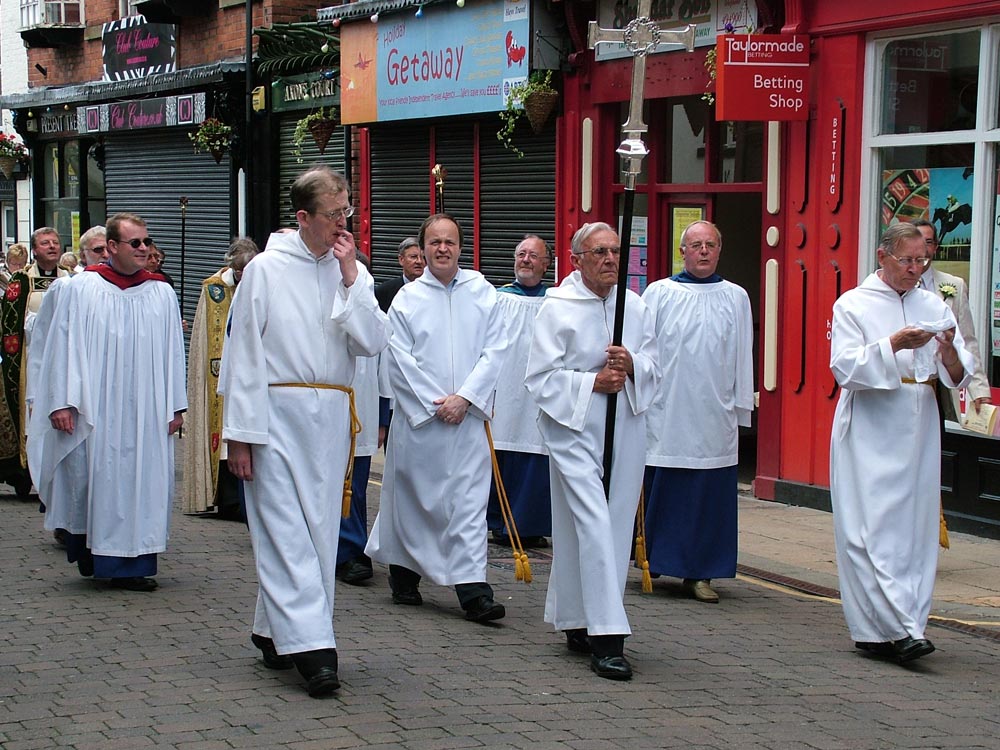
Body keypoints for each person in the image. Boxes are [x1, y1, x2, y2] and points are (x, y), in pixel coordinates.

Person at [220, 166, 389, 698]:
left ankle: (273, 629)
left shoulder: (347, 268)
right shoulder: (266, 270)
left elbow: (371, 342)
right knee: (285, 532)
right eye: (334, 214)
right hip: (276, 416)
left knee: (316, 532)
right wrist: (240, 436)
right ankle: (316, 649)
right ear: (303, 218)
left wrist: (349, 277)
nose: (344, 223)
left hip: (332, 418)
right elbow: (243, 355)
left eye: (347, 212)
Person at [830, 222, 973, 664]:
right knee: (868, 527)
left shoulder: (933, 304)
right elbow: (844, 369)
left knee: (914, 528)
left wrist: (948, 352)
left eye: (922, 260)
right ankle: (890, 628)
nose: (915, 269)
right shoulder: (852, 304)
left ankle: (907, 624)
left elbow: (958, 370)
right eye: (907, 260)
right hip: (873, 420)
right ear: (882, 257)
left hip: (919, 417)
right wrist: (892, 344)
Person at [524, 222, 659, 681]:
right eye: (599, 252)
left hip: (625, 424)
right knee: (592, 521)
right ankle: (608, 636)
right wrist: (592, 382)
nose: (609, 259)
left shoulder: (635, 307)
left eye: (615, 251)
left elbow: (658, 363)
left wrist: (633, 364)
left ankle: (575, 617)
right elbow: (540, 378)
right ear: (576, 258)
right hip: (574, 426)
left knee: (613, 525)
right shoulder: (557, 308)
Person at [26, 212, 186, 592]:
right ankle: (95, 556)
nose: (145, 249)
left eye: (147, 241)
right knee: (95, 478)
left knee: (142, 481)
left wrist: (176, 405)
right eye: (136, 243)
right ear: (112, 247)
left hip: (147, 408)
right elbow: (61, 345)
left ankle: (136, 563)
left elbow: (171, 352)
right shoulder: (80, 289)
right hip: (97, 406)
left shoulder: (161, 292)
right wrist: (62, 402)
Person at [366, 213, 509, 623]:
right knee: (414, 498)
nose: (442, 248)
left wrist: (464, 397)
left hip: (466, 419)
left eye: (449, 241)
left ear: (462, 247)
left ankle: (472, 588)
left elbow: (496, 350)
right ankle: (404, 572)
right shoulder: (407, 300)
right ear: (423, 249)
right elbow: (398, 359)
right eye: (434, 242)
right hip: (422, 421)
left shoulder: (482, 292)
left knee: (467, 503)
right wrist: (435, 401)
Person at [641, 221, 754, 604]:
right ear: (682, 251)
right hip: (667, 409)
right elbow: (644, 350)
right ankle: (653, 560)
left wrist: (739, 407)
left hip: (713, 413)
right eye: (695, 245)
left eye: (710, 245)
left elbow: (743, 354)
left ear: (719, 250)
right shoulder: (658, 293)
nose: (703, 251)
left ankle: (701, 573)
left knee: (708, 495)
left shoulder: (735, 296)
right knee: (664, 486)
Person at [183, 237, 260, 520]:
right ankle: (225, 497)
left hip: (248, 368)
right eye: (239, 271)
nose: (243, 276)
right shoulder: (214, 289)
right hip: (219, 370)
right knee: (223, 435)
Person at [487, 234, 553, 547]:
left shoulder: (557, 302)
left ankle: (530, 524)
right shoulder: (497, 298)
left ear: (547, 263)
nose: (525, 260)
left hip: (540, 393)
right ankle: (501, 522)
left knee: (538, 453)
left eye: (533, 256)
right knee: (503, 449)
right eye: (521, 254)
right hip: (506, 388)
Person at [0, 227, 70, 497]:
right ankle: (27, 469)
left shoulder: (72, 278)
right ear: (35, 249)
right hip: (32, 359)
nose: (52, 246)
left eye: (55, 242)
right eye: (45, 243)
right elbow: (12, 320)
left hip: (63, 356)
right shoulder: (22, 280)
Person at [335, 251, 384, 585]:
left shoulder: (369, 302)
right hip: (325, 404)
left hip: (362, 408)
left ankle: (352, 550)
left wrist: (382, 416)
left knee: (355, 487)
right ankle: (339, 550)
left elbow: (383, 360)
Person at [912, 219, 991, 420]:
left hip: (938, 388)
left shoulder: (954, 285)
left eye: (928, 242)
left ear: (936, 247)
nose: (923, 249)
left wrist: (979, 391)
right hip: (901, 385)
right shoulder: (895, 285)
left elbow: (967, 341)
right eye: (918, 241)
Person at [375, 236, 425, 313]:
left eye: (423, 257)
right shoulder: (383, 292)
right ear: (401, 260)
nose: (419, 261)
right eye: (413, 257)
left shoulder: (433, 290)